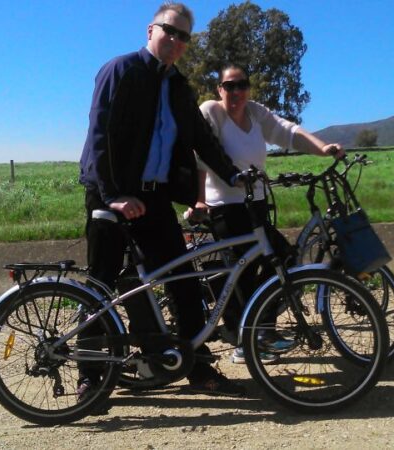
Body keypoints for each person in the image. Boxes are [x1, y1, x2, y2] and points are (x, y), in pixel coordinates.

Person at [78, 3, 244, 397]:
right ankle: (89, 375)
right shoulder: (120, 70)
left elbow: (203, 138)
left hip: (154, 201)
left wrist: (233, 174)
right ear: (151, 30)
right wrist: (114, 195)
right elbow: (99, 134)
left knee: (184, 283)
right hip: (111, 196)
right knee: (100, 286)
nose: (175, 40)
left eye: (184, 36)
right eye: (170, 30)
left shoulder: (178, 87)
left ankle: (198, 368)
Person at [188, 63, 345, 364]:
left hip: (255, 202)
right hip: (224, 206)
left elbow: (288, 132)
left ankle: (262, 330)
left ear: (248, 88)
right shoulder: (212, 111)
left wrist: (323, 147)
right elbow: (200, 157)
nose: (236, 91)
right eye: (229, 86)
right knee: (243, 272)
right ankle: (243, 341)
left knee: (284, 258)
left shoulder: (255, 112)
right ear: (219, 89)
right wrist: (198, 200)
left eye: (241, 85)